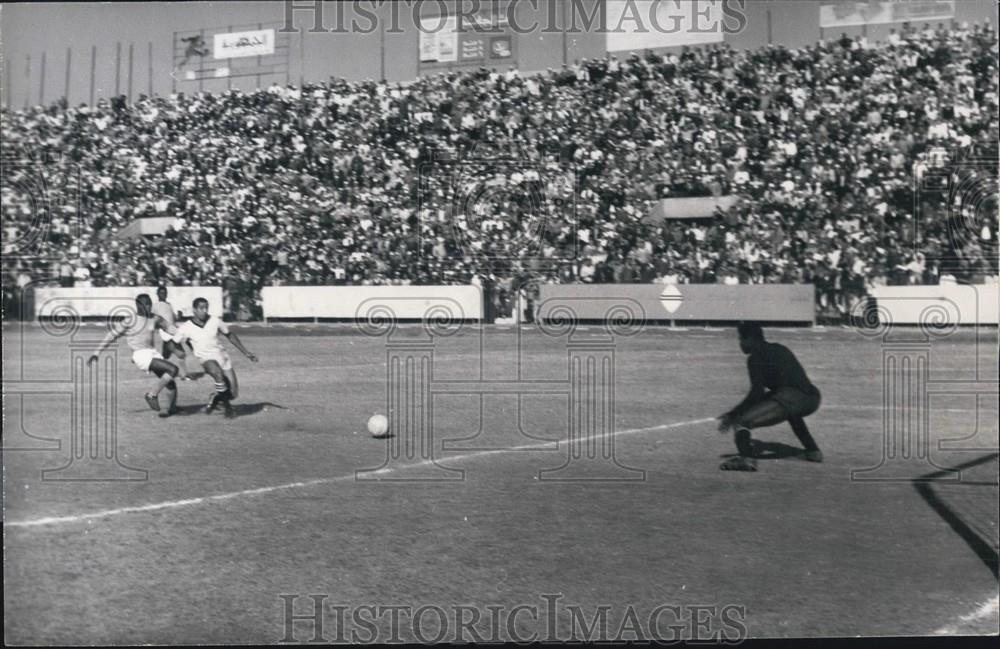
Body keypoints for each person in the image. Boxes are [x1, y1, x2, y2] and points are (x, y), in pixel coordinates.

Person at [716, 323, 823, 471]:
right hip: (813, 398)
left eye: (742, 339)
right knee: (792, 412)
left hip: (791, 397)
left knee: (741, 421)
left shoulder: (755, 357)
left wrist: (734, 413)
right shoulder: (780, 348)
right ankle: (813, 451)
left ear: (752, 339)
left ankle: (746, 459)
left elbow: (756, 393)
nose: (740, 343)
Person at [87, 293, 181, 417]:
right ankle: (152, 394)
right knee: (173, 369)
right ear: (138, 305)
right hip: (140, 355)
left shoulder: (155, 318)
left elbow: (171, 329)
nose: (148, 307)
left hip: (153, 353)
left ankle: (172, 408)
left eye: (150, 304)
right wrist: (97, 352)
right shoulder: (130, 320)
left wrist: (186, 334)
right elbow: (111, 335)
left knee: (169, 381)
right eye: (145, 304)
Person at [171, 297, 258, 418]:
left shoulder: (215, 321)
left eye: (206, 308)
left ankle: (216, 397)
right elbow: (174, 342)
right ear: (194, 310)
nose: (204, 311)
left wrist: (246, 352)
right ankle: (228, 409)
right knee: (217, 373)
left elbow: (230, 335)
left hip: (222, 357)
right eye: (201, 308)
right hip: (205, 358)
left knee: (233, 393)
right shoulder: (186, 327)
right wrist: (182, 354)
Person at [153, 285, 191, 380]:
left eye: (165, 293)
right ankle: (184, 375)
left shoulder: (169, 305)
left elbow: (173, 318)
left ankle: (159, 369)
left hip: (171, 332)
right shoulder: (155, 306)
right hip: (167, 334)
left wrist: (179, 316)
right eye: (161, 293)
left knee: (165, 356)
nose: (163, 295)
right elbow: (154, 320)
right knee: (181, 354)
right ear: (157, 294)